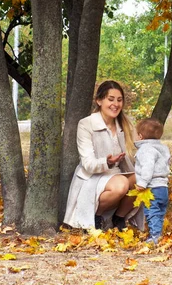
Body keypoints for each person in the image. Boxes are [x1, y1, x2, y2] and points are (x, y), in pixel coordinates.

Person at [64, 80, 144, 231]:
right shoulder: (86, 124)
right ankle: (96, 217)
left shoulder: (126, 124)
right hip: (92, 177)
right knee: (121, 185)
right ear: (99, 100)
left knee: (143, 178)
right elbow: (88, 163)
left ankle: (118, 219)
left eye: (119, 100)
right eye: (111, 99)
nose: (116, 104)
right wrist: (106, 162)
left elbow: (136, 154)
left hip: (118, 174)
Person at [134, 118, 171, 244]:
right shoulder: (163, 148)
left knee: (152, 212)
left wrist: (142, 183)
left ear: (140, 136)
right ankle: (158, 232)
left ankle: (155, 236)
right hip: (163, 187)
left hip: (152, 187)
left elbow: (148, 167)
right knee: (160, 211)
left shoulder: (145, 149)